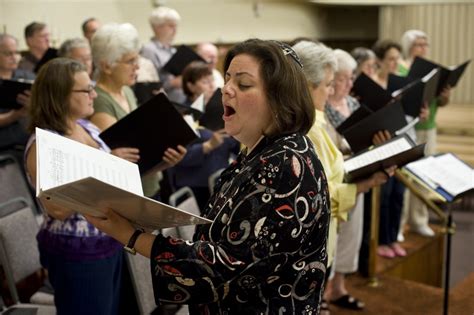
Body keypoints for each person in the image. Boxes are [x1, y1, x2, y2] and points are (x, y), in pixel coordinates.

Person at [86, 39, 331, 314]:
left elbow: (224, 267)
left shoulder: (285, 163)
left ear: (280, 97)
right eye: (227, 79)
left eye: (244, 84)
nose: (225, 89)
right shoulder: (262, 150)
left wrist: (130, 236)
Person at [293, 41, 393, 313]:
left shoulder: (315, 119)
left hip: (322, 235)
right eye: (327, 84)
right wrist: (368, 182)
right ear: (306, 85)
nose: (332, 90)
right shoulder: (308, 128)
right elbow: (320, 197)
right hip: (312, 239)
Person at [24, 58, 124, 315]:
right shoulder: (44, 143)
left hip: (108, 239)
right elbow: (56, 208)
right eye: (85, 89)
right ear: (59, 95)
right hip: (76, 247)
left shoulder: (87, 127)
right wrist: (103, 179)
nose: (93, 94)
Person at [90, 22, 186, 199]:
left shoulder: (126, 90)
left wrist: (165, 162)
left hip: (148, 188)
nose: (138, 67)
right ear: (106, 66)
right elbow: (123, 166)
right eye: (130, 61)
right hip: (129, 196)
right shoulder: (98, 101)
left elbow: (140, 158)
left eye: (137, 59)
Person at [398, 29, 451, 239]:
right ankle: (399, 225)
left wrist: (445, 94)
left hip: (428, 127)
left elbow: (441, 102)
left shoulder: (432, 71)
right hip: (407, 128)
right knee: (404, 175)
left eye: (425, 44)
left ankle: (419, 220)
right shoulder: (402, 69)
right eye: (418, 44)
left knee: (424, 175)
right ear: (409, 47)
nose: (423, 48)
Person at [169, 60, 239, 210]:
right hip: (195, 184)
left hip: (220, 177)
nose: (211, 85)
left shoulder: (223, 108)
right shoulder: (182, 113)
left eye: (212, 80)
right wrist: (207, 146)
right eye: (205, 81)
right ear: (191, 86)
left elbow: (234, 146)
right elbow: (177, 156)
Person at [141, 6, 185, 103]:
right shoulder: (149, 50)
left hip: (180, 102)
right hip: (164, 104)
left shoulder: (172, 50)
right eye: (170, 26)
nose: (175, 29)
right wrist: (173, 83)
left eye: (175, 25)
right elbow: (148, 86)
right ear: (157, 27)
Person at [0, 34, 34, 157]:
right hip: (4, 148)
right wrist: (15, 115)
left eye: (16, 53)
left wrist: (35, 106)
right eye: (8, 54)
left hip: (27, 143)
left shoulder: (28, 77)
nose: (14, 58)